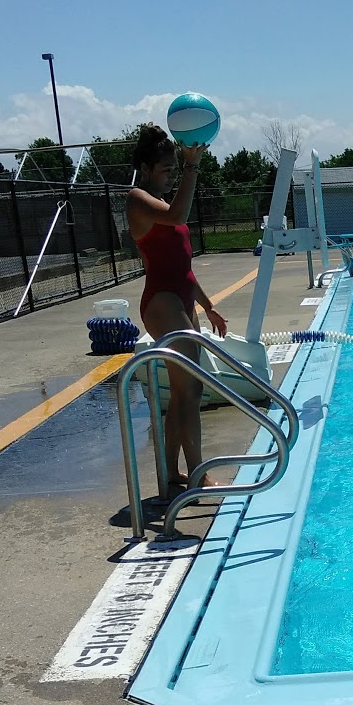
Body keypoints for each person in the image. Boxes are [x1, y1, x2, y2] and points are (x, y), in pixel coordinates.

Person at [127, 123, 228, 498]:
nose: (171, 177)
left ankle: (172, 474)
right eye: (166, 170)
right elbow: (178, 216)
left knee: (184, 392)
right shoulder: (138, 200)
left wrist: (209, 306)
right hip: (162, 302)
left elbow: (185, 268)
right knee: (192, 390)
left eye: (174, 170)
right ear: (146, 167)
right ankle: (199, 473)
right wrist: (191, 167)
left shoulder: (165, 204)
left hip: (182, 299)